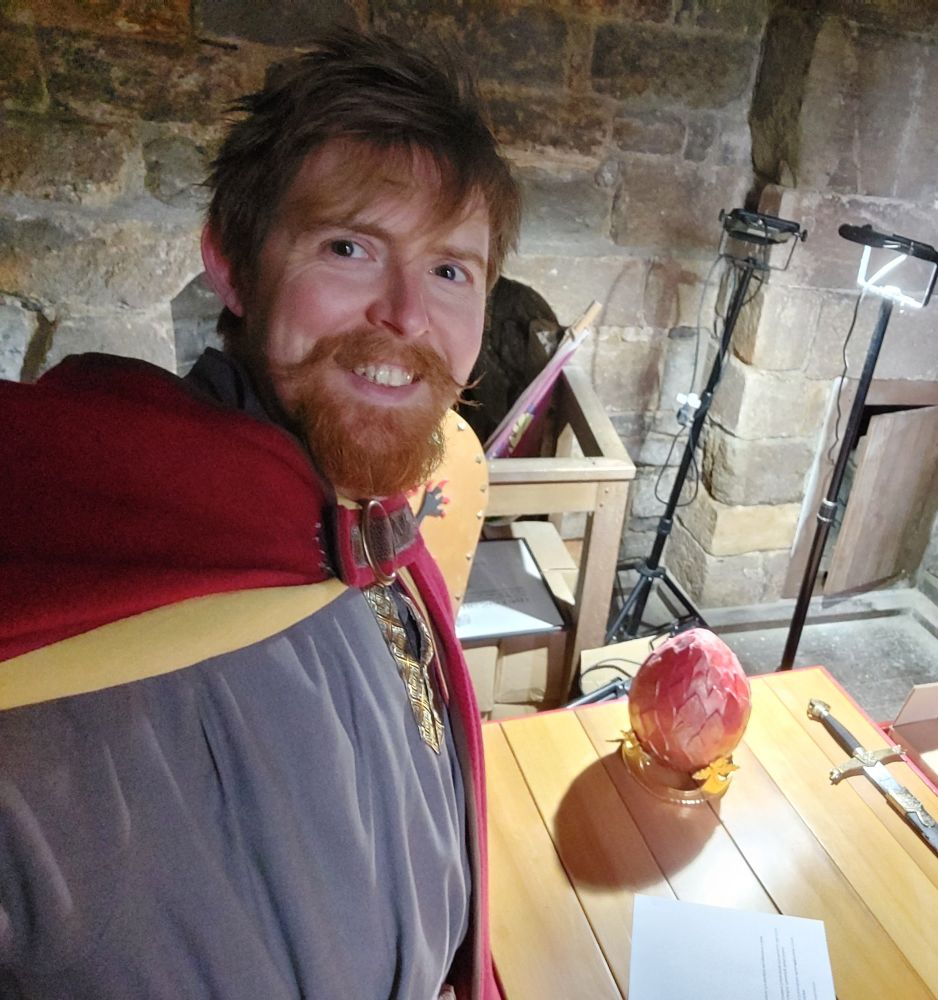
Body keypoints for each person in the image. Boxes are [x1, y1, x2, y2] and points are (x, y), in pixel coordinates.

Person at [0, 28, 520, 1000]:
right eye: (349, 247)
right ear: (232, 268)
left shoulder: (387, 546)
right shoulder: (79, 576)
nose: (406, 315)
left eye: (452, 270)